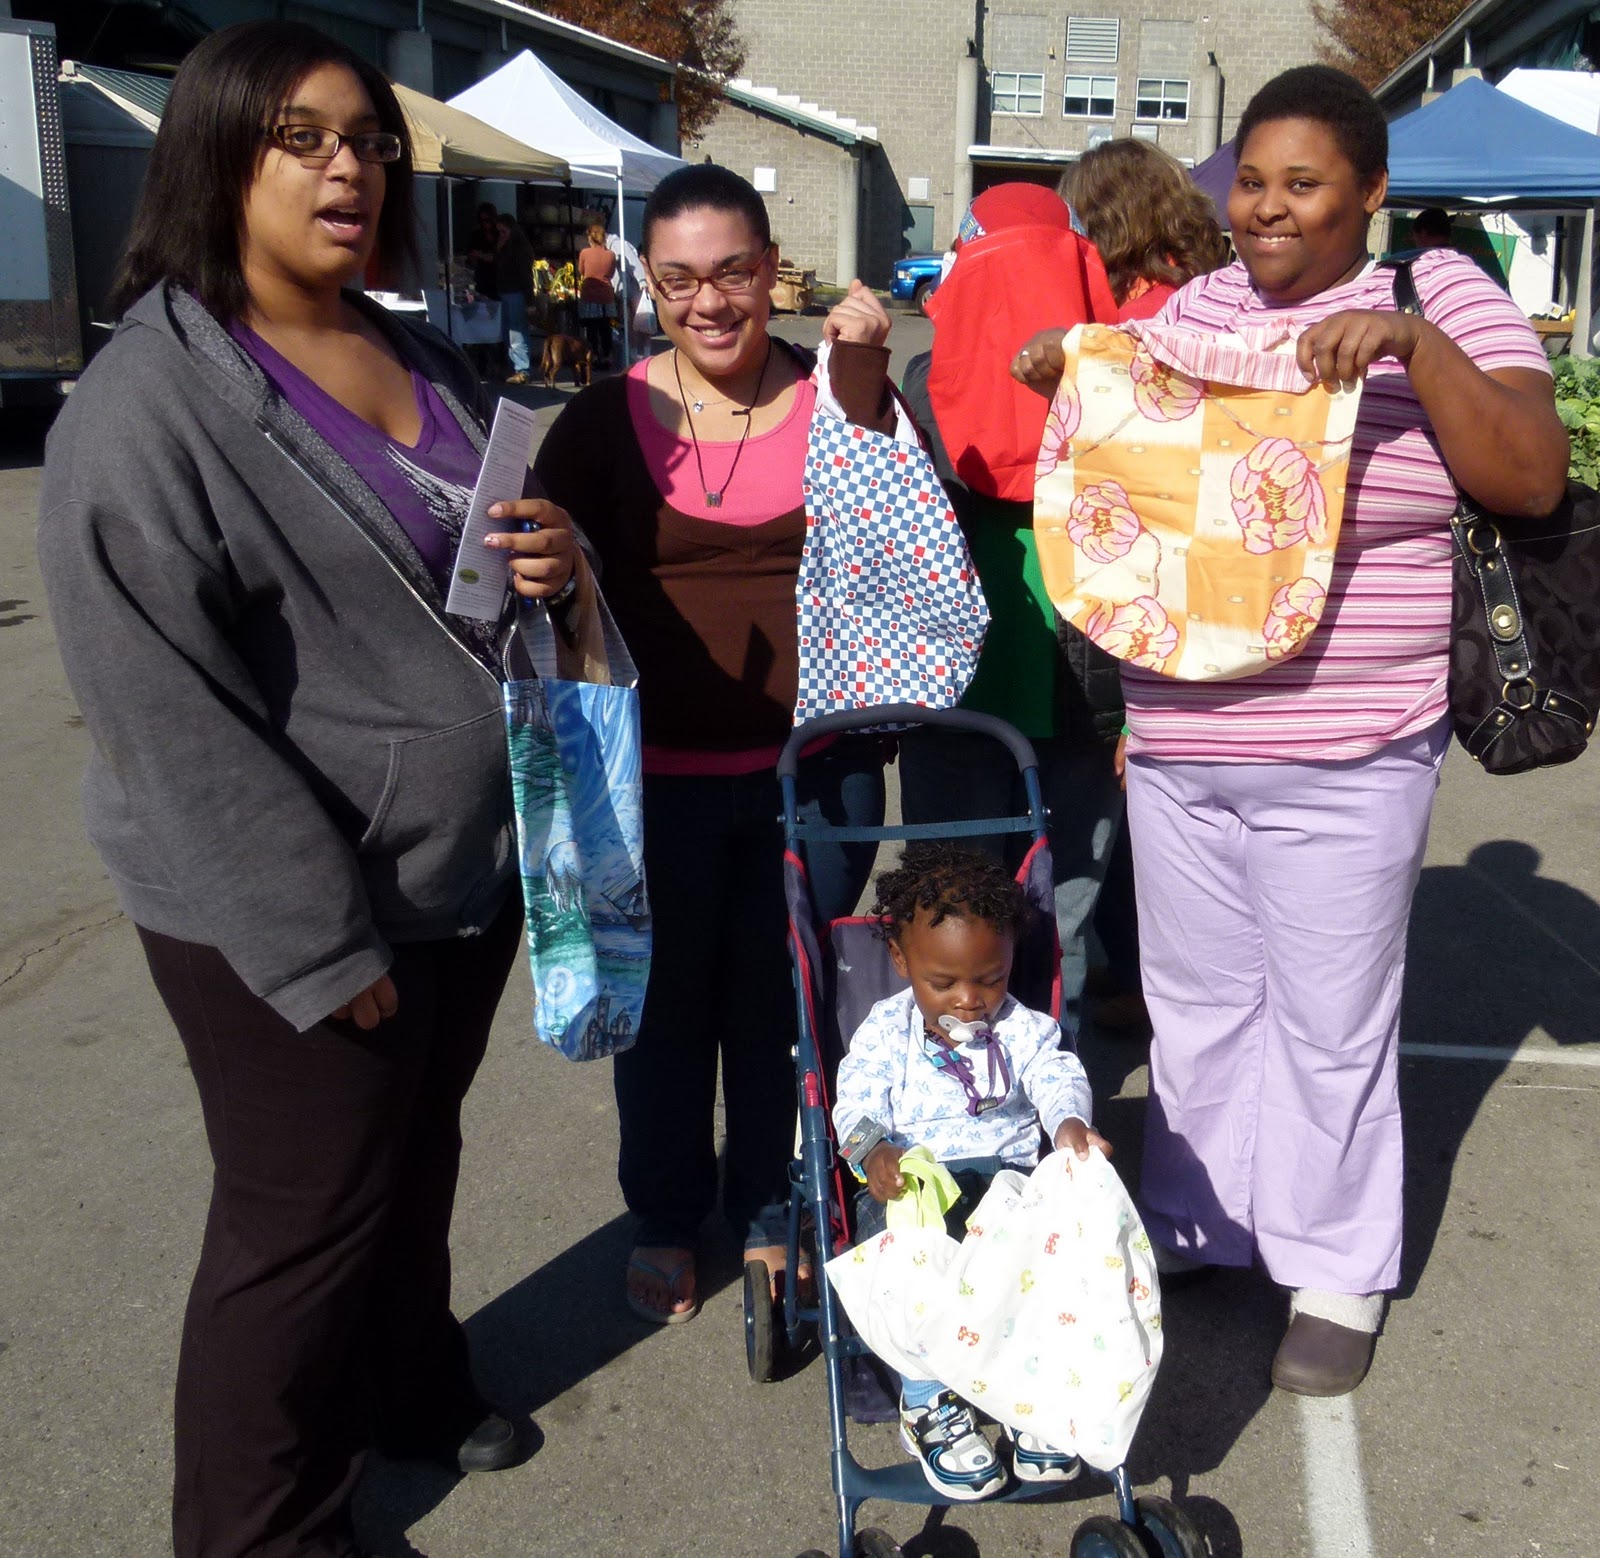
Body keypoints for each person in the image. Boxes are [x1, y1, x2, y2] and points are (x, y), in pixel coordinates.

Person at [36, 22, 578, 1557]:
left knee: (413, 1158)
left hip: (451, 873)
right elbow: (162, 714)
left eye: (366, 138)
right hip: (285, 906)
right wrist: (314, 944)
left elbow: (460, 564)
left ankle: (409, 1383)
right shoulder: (145, 406)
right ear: (217, 154)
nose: (348, 165)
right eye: (301, 136)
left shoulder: (414, 349)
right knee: (296, 1222)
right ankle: (256, 1527)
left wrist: (545, 560)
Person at [1012, 65, 1568, 1396]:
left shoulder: (1446, 297)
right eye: (1251, 181)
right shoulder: (1192, 306)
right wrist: (1075, 379)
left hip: (1355, 737)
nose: (1266, 210)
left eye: (1302, 184)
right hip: (1186, 731)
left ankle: (1334, 1261)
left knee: (1331, 1019)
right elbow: (1143, 484)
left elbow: (1532, 474)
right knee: (1198, 1005)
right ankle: (1204, 1215)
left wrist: (1411, 350)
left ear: (1370, 193)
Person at [531, 164, 893, 1325]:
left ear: (769, 266)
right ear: (647, 282)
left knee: (782, 1011)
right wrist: (540, 574)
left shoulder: (841, 396)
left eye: (732, 272)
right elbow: (528, 595)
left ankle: (769, 1206)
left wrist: (875, 392)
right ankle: (665, 1212)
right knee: (666, 1015)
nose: (710, 303)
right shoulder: (598, 421)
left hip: (817, 778)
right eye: (678, 278)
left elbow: (908, 554)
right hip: (650, 788)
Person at [896, 184, 1125, 1033]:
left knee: (952, 919)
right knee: (1052, 919)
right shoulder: (1127, 392)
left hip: (965, 688)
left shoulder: (924, 385)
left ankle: (966, 1118)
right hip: (1084, 683)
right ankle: (1043, 1119)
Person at [833, 844, 1110, 1500]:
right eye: (945, 983)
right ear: (901, 962)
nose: (969, 999)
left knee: (1052, 1250)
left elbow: (1055, 1074)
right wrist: (873, 1151)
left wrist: (1068, 1122)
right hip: (915, 1182)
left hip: (1007, 1180)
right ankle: (927, 1401)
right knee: (910, 1254)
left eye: (989, 978)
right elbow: (855, 1101)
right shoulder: (885, 1032)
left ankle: (1031, 1390)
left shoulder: (1023, 1029)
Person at [1058, 138, 1231, 1030]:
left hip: (1150, 619)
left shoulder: (1150, 318)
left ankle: (1150, 1002)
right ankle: (1144, 992)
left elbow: (1148, 510)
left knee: (1144, 843)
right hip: (1208, 616)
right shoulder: (1205, 292)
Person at [495, 210, 536, 383]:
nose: (501, 235)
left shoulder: (519, 249)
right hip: (505, 292)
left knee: (516, 333)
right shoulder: (506, 247)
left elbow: (525, 275)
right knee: (508, 332)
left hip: (516, 293)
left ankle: (523, 370)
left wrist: (529, 299)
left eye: (503, 232)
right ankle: (515, 367)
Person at [576, 221, 619, 369]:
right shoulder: (611, 255)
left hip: (589, 294)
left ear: (590, 237)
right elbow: (612, 273)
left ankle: (593, 355)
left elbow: (581, 271)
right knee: (605, 327)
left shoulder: (584, 253)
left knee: (591, 329)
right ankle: (607, 356)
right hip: (606, 294)